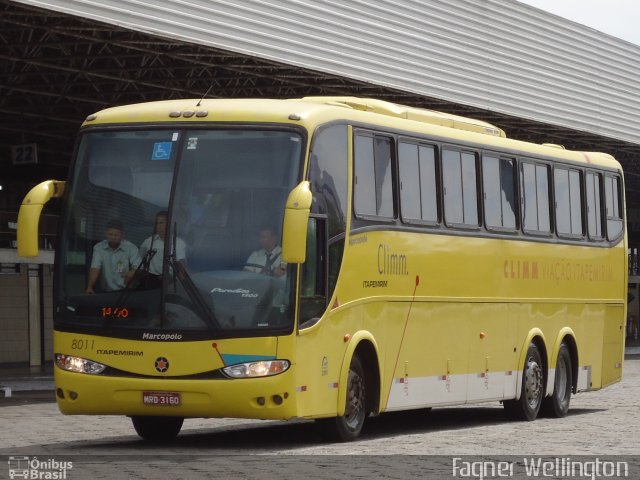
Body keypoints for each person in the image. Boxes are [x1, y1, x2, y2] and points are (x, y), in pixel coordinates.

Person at [85, 220, 141, 294]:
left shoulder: (131, 248)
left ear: (122, 235)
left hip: (127, 291)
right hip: (106, 291)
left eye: (116, 235)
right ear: (106, 233)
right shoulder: (98, 247)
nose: (113, 237)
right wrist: (89, 287)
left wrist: (133, 272)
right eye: (110, 234)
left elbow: (139, 267)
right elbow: (95, 268)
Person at [138, 211, 187, 287]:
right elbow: (139, 260)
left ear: (169, 224)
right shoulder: (148, 242)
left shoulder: (178, 243)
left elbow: (181, 266)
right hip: (149, 279)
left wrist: (182, 284)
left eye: (161, 223)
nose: (158, 225)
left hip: (169, 281)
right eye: (157, 223)